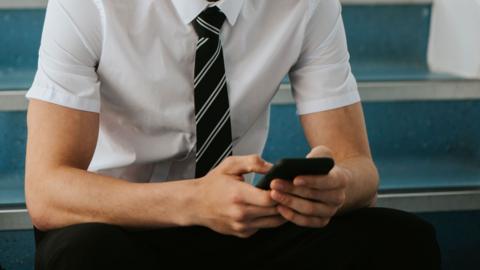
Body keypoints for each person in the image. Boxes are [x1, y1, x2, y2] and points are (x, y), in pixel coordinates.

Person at [25, 0, 441, 269]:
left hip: (237, 223)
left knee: (402, 239)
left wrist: (336, 188)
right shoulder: (88, 4)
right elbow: (46, 192)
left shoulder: (308, 5)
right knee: (86, 257)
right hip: (121, 222)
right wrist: (192, 201)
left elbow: (361, 170)